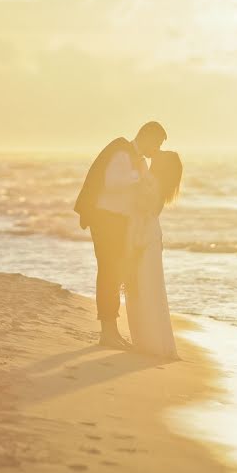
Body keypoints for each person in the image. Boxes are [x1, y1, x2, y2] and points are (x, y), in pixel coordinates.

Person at [73, 122, 167, 349]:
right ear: (146, 136)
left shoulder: (138, 161)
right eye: (156, 144)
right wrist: (141, 178)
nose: (157, 150)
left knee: (115, 274)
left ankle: (111, 331)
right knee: (108, 272)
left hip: (120, 222)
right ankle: (107, 332)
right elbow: (113, 182)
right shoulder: (122, 152)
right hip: (105, 219)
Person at [124, 150, 182, 359]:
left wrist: (135, 243)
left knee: (142, 286)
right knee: (151, 287)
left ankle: (148, 342)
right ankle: (153, 341)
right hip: (150, 236)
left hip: (143, 236)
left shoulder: (152, 183)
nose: (156, 153)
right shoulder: (160, 186)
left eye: (161, 155)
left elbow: (141, 211)